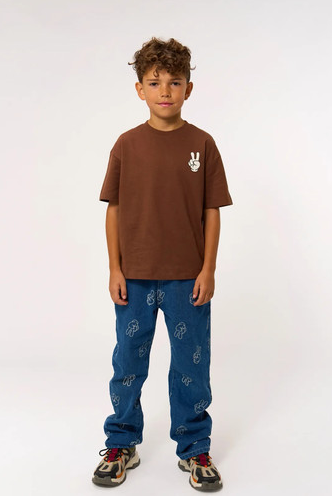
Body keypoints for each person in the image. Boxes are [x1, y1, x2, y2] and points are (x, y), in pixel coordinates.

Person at [92, 37, 233, 492]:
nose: (165, 91)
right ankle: (121, 443)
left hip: (187, 279)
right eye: (154, 83)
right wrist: (114, 268)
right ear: (140, 90)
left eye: (174, 82)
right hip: (133, 277)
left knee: (191, 365)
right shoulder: (126, 145)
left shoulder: (203, 144)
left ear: (189, 88)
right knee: (128, 363)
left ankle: (194, 448)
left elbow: (212, 210)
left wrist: (208, 269)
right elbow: (113, 209)